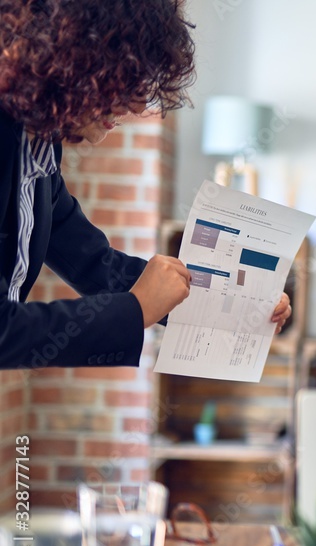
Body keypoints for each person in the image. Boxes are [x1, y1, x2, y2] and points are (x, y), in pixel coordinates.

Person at [0, 0, 291, 370]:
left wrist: (236, 305)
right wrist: (135, 310)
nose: (137, 108)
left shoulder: (38, 148)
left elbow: (94, 264)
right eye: (127, 80)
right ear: (74, 61)